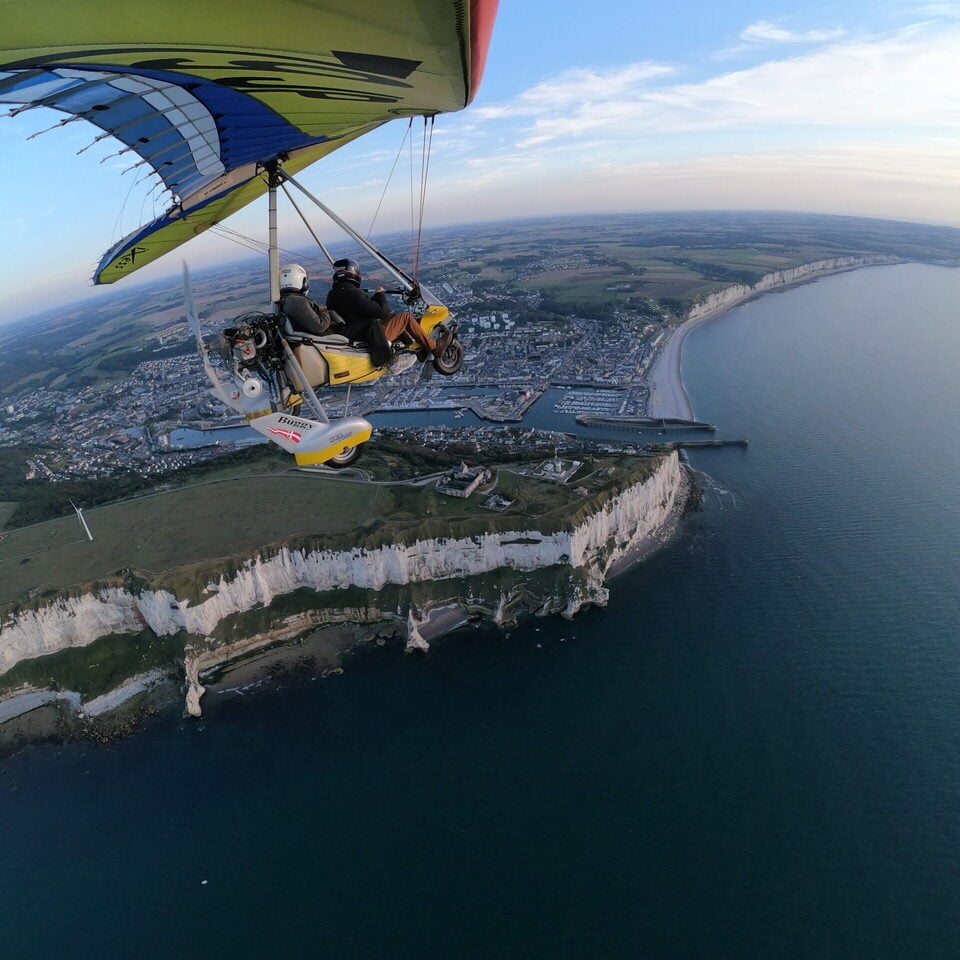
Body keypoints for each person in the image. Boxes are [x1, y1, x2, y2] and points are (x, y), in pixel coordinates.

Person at [325, 258, 446, 370]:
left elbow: (360, 309)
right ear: (353, 274)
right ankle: (434, 347)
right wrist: (379, 295)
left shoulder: (331, 296)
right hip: (371, 336)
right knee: (406, 317)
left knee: (393, 318)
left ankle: (414, 348)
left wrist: (371, 299)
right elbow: (382, 312)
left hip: (354, 332)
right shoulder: (354, 294)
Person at [278, 263, 340, 337]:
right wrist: (324, 311)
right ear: (303, 282)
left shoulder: (286, 299)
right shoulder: (297, 302)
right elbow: (319, 326)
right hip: (321, 341)